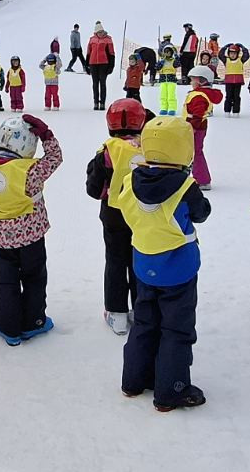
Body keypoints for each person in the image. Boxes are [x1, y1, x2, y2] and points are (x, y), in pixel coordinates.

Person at [118, 117, 210, 412]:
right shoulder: (185, 186)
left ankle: (134, 380)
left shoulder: (131, 179)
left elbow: (123, 206)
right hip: (178, 268)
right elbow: (201, 213)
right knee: (176, 329)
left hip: (144, 262)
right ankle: (172, 390)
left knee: (145, 322)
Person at [0, 114, 62, 345]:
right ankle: (33, 322)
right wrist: (46, 135)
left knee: (7, 281)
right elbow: (55, 158)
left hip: (1, 239)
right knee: (34, 279)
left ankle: (9, 328)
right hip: (31, 238)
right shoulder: (31, 170)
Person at [85, 98, 148, 335]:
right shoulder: (149, 147)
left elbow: (94, 189)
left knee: (115, 261)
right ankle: (141, 310)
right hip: (143, 214)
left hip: (114, 214)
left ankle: (117, 313)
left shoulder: (107, 152)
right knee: (139, 261)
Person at [183, 66, 222, 188]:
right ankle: (196, 176)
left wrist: (193, 127)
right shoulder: (199, 94)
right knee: (193, 151)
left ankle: (202, 180)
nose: (191, 82)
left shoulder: (199, 96)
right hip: (196, 126)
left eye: (192, 79)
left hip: (196, 127)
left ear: (201, 81)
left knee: (195, 152)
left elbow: (198, 113)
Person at [85, 25, 115, 111]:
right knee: (95, 84)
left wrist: (111, 66)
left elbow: (111, 53)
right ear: (96, 32)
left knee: (102, 83)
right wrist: (86, 65)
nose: (100, 33)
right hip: (93, 63)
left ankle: (102, 103)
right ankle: (96, 102)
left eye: (101, 31)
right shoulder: (92, 40)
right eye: (98, 32)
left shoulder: (108, 39)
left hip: (104, 64)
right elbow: (88, 52)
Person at [220, 42, 249, 115]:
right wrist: (225, 47)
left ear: (237, 54)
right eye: (231, 53)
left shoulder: (241, 60)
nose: (232, 55)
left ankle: (236, 111)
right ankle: (227, 111)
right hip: (229, 82)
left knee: (236, 97)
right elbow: (220, 55)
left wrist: (243, 47)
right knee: (228, 96)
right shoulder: (226, 60)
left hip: (238, 82)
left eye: (234, 53)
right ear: (228, 54)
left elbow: (246, 55)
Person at [155, 39, 179, 116]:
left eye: (168, 52)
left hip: (171, 80)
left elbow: (178, 64)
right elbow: (157, 68)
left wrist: (177, 56)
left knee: (171, 95)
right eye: (165, 52)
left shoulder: (173, 61)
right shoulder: (162, 61)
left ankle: (172, 108)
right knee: (163, 95)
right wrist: (160, 63)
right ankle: (164, 108)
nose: (167, 53)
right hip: (163, 80)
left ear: (171, 53)